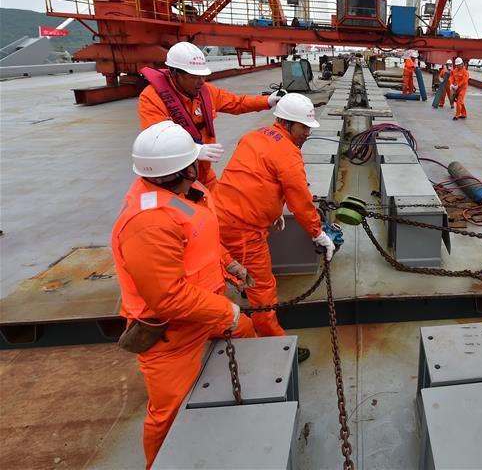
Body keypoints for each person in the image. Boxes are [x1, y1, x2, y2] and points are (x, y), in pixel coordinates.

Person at [111, 121, 256, 468]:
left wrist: (229, 264)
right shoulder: (149, 224)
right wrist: (226, 313)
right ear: (187, 168)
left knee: (248, 332)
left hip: (205, 312)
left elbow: (200, 237)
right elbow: (168, 298)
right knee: (168, 412)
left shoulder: (188, 194)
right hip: (171, 335)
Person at [214, 93, 336, 340]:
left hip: (218, 216)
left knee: (228, 270)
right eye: (304, 127)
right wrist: (318, 233)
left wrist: (273, 211)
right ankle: (272, 341)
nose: (307, 134)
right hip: (244, 230)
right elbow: (300, 201)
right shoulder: (289, 154)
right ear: (287, 123)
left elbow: (253, 178)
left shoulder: (254, 136)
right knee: (263, 288)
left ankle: (230, 293)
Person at [138, 41, 282, 190]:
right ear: (174, 73)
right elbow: (157, 142)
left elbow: (237, 103)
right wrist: (194, 150)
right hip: (174, 180)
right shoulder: (152, 98)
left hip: (205, 175)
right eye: (194, 76)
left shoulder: (206, 92)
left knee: (218, 208)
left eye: (203, 76)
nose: (201, 82)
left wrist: (267, 101)